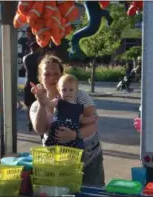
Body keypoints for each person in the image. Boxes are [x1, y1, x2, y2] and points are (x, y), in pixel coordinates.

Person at [29, 54, 105, 187]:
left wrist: (75, 135)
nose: (52, 78)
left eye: (56, 73)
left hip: (89, 159)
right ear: (40, 78)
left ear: (62, 75)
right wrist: (42, 104)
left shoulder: (78, 94)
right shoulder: (36, 105)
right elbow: (40, 129)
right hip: (58, 164)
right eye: (47, 74)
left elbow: (93, 124)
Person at [33, 74, 96, 149]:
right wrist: (43, 98)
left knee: (77, 146)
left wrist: (92, 119)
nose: (67, 93)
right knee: (54, 142)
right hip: (59, 127)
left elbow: (81, 120)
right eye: (64, 90)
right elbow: (49, 103)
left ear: (76, 91)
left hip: (73, 130)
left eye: (71, 90)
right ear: (59, 90)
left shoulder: (79, 106)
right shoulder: (58, 100)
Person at [23, 42, 42, 132]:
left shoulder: (25, 58)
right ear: (38, 48)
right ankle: (36, 122)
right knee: (39, 104)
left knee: (29, 105)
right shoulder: (39, 57)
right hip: (37, 83)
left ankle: (29, 122)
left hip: (28, 82)